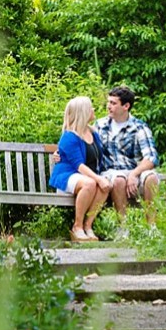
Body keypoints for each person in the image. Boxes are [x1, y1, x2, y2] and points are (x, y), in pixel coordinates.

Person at [94, 85, 162, 228]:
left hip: (135, 172)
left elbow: (151, 157)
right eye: (108, 102)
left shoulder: (139, 127)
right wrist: (61, 152)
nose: (108, 106)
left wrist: (134, 174)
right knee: (119, 179)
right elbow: (83, 142)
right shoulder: (100, 125)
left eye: (113, 103)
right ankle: (123, 228)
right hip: (111, 173)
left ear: (126, 106)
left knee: (151, 177)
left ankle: (151, 228)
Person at [48, 96, 111, 242]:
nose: (93, 110)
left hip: (87, 177)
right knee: (92, 183)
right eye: (90, 108)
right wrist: (98, 178)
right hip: (68, 177)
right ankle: (77, 227)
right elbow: (79, 166)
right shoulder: (69, 136)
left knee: (105, 185)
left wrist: (102, 177)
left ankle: (88, 226)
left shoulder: (93, 133)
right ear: (83, 112)